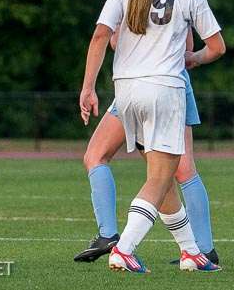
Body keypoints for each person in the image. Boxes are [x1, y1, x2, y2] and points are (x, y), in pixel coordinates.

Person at [79, 0, 225, 272]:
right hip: (164, 90)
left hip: (125, 91)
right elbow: (216, 47)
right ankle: (125, 248)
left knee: (162, 175)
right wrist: (195, 58)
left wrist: (87, 87)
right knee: (162, 177)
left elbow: (102, 37)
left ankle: (192, 252)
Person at [74, 25, 219, 269]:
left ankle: (202, 249)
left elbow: (109, 39)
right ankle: (109, 235)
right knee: (97, 156)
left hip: (164, 84)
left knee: (178, 171)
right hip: (134, 86)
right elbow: (194, 48)